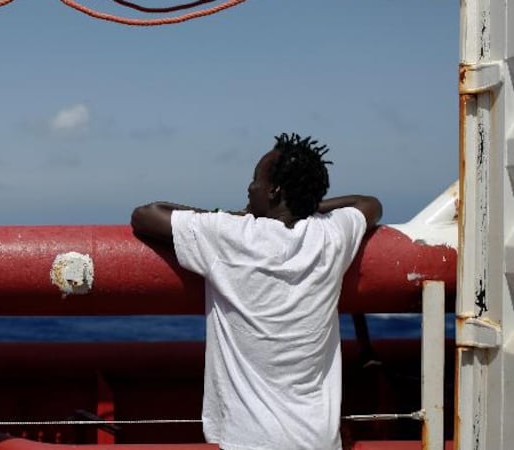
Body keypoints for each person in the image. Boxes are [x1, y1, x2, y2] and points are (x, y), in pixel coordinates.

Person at [130, 133, 382, 450]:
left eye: (255, 181)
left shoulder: (230, 234)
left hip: (251, 441)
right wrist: (305, 204)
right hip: (319, 440)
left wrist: (229, 215)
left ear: (274, 192)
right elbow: (369, 204)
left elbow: (145, 215)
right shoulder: (331, 234)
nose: (249, 188)